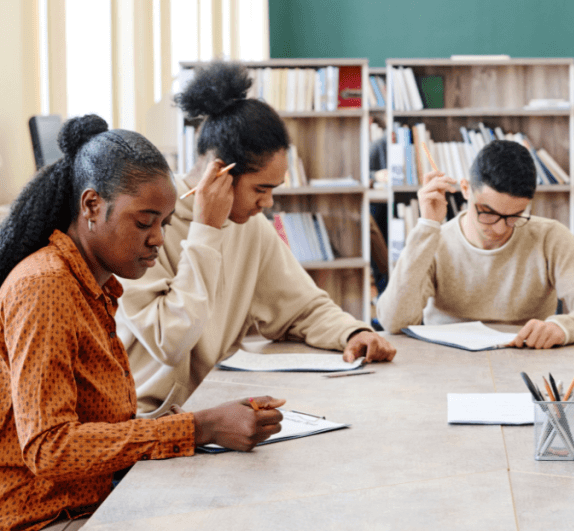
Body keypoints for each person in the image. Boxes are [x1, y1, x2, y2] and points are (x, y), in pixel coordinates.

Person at [0, 115, 285, 531]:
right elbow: (50, 449)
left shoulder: (93, 286)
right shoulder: (46, 286)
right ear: (92, 206)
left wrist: (192, 426)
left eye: (165, 223)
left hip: (91, 499)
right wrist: (198, 427)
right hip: (49, 520)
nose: (158, 240)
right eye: (144, 222)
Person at [115, 61, 396, 418]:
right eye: (261, 189)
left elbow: (302, 307)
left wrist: (352, 333)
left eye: (274, 190)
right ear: (219, 172)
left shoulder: (251, 227)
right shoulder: (146, 225)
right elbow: (169, 341)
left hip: (212, 410)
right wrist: (206, 229)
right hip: (147, 421)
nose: (269, 203)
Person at [377, 140, 574, 348]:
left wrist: (564, 327)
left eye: (515, 216)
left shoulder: (550, 237)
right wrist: (427, 225)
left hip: (527, 358)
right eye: (487, 212)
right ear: (466, 189)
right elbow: (393, 321)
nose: (500, 229)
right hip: (446, 364)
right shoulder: (434, 240)